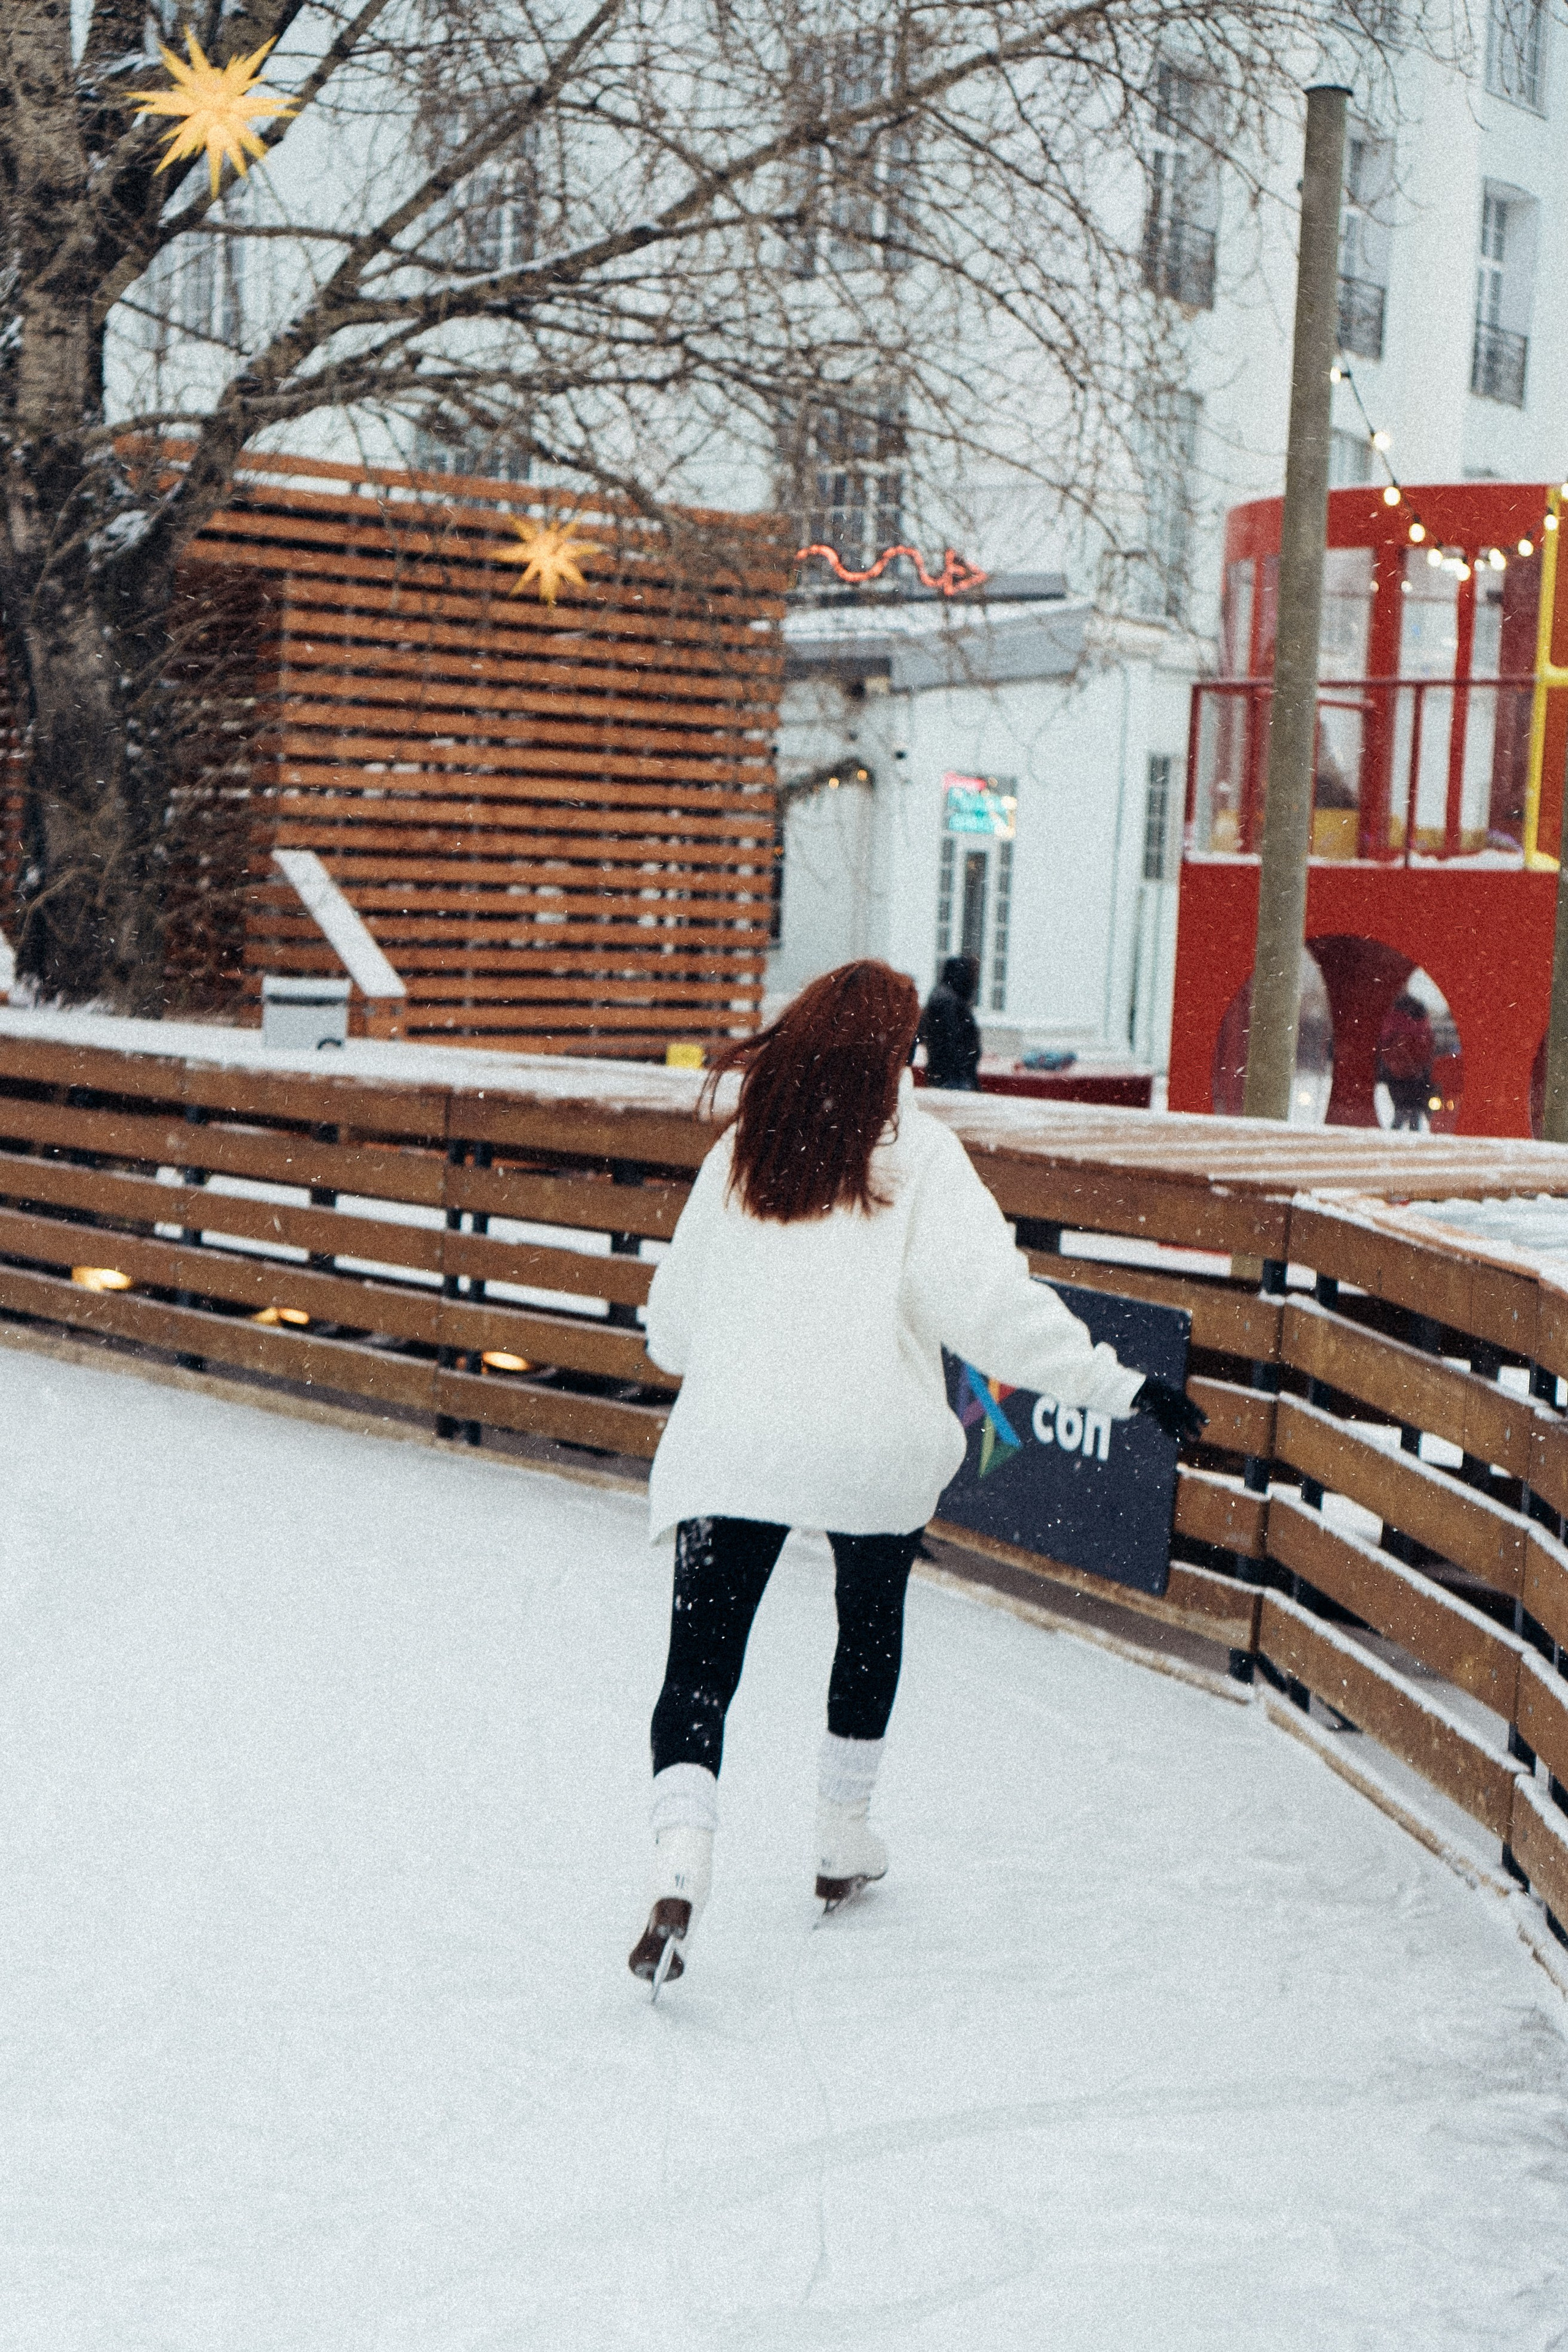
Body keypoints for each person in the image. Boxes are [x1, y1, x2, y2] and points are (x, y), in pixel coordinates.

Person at [628, 959, 1205, 1991]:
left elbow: (670, 1332)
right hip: (868, 1448)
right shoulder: (922, 1157)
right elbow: (994, 1310)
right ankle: (842, 1838)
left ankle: (680, 1863)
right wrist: (1122, 1388)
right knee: (870, 1616)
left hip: (735, 1446)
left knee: (701, 1669)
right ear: (897, 1053)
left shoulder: (742, 1155)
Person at [918, 954, 982, 1090]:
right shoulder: (948, 1001)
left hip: (947, 1074)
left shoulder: (945, 997)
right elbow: (951, 1041)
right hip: (953, 1076)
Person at [1376, 990, 1436, 1131]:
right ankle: (1411, 1139)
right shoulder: (1421, 1020)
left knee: (1400, 1110)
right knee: (1414, 1112)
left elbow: (1385, 1043)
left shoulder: (1392, 1018)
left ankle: (1395, 1138)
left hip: (1397, 1073)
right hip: (1417, 1074)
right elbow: (1428, 1047)